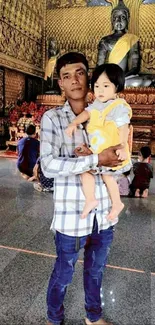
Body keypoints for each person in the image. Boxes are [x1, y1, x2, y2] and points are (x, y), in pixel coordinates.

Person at [40, 51, 125, 325]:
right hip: (71, 217)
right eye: (67, 76)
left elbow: (120, 160)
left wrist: (116, 159)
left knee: (96, 271)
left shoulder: (107, 111)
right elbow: (49, 166)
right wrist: (96, 158)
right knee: (63, 274)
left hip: (103, 214)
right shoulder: (52, 119)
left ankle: (93, 317)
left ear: (89, 77)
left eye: (80, 73)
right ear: (61, 84)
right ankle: (55, 318)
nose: (74, 80)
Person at [66, 63, 132, 220]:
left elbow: (124, 128)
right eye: (96, 86)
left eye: (106, 85)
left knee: (108, 177)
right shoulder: (96, 105)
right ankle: (91, 199)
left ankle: (117, 203)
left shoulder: (118, 107)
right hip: (96, 151)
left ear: (117, 87)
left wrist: (123, 146)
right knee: (84, 170)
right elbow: (86, 114)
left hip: (111, 150)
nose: (100, 90)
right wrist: (74, 123)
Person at [97, 0, 152, 87]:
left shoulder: (132, 39)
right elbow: (99, 66)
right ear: (112, 21)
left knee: (140, 81)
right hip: (109, 77)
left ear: (128, 21)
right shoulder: (105, 40)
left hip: (125, 77)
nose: (119, 20)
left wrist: (122, 77)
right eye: (115, 18)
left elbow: (135, 67)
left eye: (123, 17)